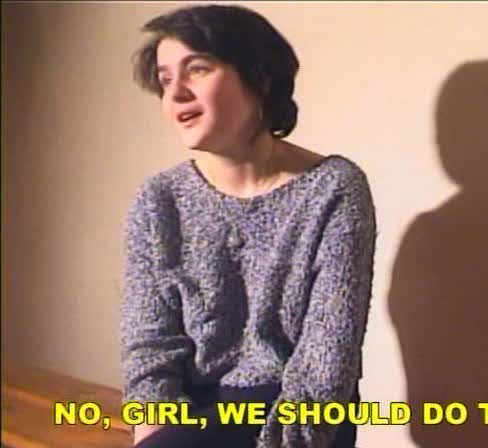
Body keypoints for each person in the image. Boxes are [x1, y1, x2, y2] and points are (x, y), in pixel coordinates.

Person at [120, 4, 377, 447]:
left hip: (297, 417)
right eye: (164, 79)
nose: (176, 92)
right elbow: (149, 350)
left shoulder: (334, 188)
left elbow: (326, 363)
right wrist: (156, 434)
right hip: (191, 417)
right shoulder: (157, 200)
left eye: (197, 69)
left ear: (260, 78)